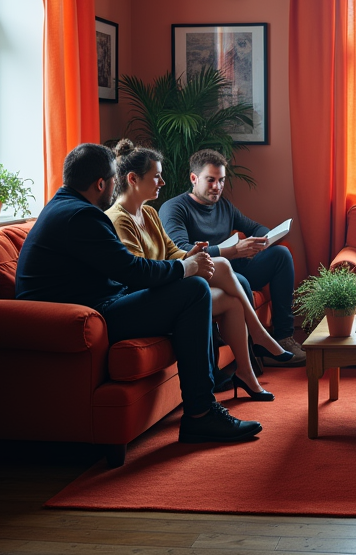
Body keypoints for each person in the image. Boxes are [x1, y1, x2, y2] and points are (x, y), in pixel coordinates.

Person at [15, 143, 262, 443]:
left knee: (193, 290)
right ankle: (201, 413)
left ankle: (203, 406)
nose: (115, 187)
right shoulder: (81, 217)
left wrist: (185, 264)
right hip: (89, 315)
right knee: (194, 290)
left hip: (97, 306)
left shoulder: (65, 208)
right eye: (113, 179)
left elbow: (127, 268)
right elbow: (131, 269)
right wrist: (187, 269)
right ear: (101, 184)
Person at [105, 140, 293, 401]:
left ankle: (247, 373)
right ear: (134, 179)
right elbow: (138, 273)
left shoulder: (148, 213)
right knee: (222, 271)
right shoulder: (118, 218)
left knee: (232, 300)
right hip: (150, 295)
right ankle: (259, 334)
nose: (162, 183)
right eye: (157, 177)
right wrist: (186, 264)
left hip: (169, 282)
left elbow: (174, 251)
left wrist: (192, 255)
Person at [160, 149, 305, 366]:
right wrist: (233, 250)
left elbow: (254, 226)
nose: (217, 187)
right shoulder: (175, 208)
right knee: (242, 281)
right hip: (206, 273)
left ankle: (283, 337)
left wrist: (264, 240)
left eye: (221, 180)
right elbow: (182, 251)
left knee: (281, 254)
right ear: (194, 178)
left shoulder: (224, 206)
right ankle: (251, 353)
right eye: (211, 180)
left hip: (234, 265)